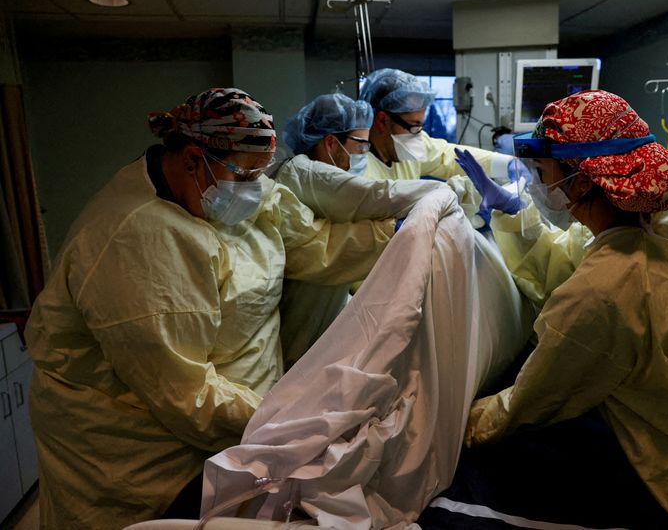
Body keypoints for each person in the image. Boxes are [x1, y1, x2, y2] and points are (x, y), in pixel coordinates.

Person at [24, 87, 399, 530]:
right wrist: (287, 418)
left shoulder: (227, 190)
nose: (255, 188)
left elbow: (313, 244)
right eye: (245, 176)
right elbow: (185, 395)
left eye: (261, 174)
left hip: (236, 410)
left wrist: (397, 228)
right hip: (138, 446)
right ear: (189, 159)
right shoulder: (137, 241)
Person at [453, 90, 668, 529]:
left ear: (582, 181)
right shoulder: (665, 228)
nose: (537, 183)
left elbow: (533, 398)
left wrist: (458, 422)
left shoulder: (604, 291)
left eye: (542, 172)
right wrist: (514, 213)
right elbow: (575, 262)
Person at [275, 93, 441, 365]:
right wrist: (448, 192)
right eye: (361, 146)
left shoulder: (314, 174)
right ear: (330, 142)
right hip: (299, 328)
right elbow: (374, 197)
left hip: (320, 316)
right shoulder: (305, 173)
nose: (364, 155)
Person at [358, 68, 532, 229]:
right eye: (414, 125)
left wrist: (506, 163)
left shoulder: (403, 143)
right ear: (382, 121)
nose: (418, 135)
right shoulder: (358, 170)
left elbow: (447, 156)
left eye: (421, 125)